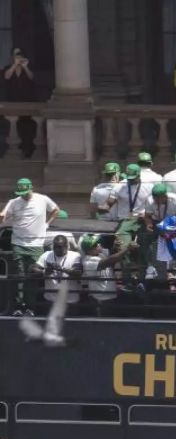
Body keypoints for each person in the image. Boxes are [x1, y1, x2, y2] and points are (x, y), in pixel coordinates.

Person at [1, 178, 60, 317]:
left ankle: (30, 307)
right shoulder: (14, 202)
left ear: (31, 188)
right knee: (19, 276)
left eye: (26, 192)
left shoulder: (42, 199)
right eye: (21, 193)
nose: (23, 195)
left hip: (36, 244)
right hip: (18, 244)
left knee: (32, 277)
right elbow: (4, 216)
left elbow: (56, 210)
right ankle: (18, 306)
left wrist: (47, 224)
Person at [108, 164, 153, 277]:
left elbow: (154, 204)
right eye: (129, 178)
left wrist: (146, 214)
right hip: (125, 220)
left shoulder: (149, 186)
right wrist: (104, 206)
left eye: (133, 178)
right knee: (122, 247)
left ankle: (143, 276)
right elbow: (109, 202)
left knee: (143, 247)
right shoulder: (120, 186)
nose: (131, 181)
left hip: (141, 219)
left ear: (139, 175)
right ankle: (127, 277)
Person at [81, 235, 135, 316]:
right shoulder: (88, 262)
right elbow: (111, 260)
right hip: (100, 300)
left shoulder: (100, 254)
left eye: (98, 243)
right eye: (96, 245)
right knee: (102, 324)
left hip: (110, 297)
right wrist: (127, 248)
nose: (99, 245)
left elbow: (112, 254)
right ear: (89, 250)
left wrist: (116, 246)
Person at [145, 183, 176, 277]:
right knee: (147, 238)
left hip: (173, 222)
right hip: (157, 222)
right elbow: (147, 216)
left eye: (158, 198)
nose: (155, 201)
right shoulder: (149, 200)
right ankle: (150, 267)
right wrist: (148, 224)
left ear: (165, 196)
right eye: (154, 198)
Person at [3, 48, 37, 154]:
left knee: (26, 124)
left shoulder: (27, 67)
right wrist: (14, 65)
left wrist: (25, 67)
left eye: (20, 55)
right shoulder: (8, 68)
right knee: (11, 122)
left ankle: (27, 148)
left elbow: (32, 77)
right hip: (12, 100)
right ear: (12, 57)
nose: (18, 57)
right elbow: (7, 76)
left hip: (26, 100)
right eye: (16, 55)